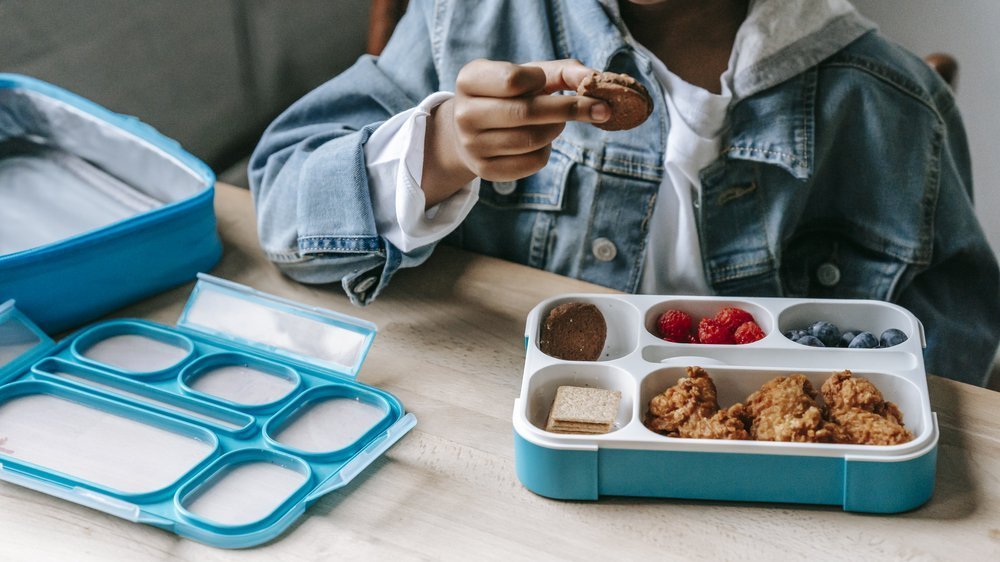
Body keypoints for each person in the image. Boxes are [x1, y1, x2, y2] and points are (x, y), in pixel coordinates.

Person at [248, 0, 1000, 386]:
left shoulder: (892, 106)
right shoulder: (471, 23)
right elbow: (282, 212)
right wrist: (440, 148)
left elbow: (957, 348)